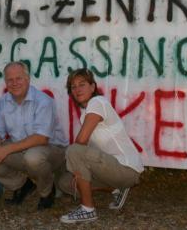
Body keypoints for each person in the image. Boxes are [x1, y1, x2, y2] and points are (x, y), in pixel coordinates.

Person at [0, 61, 68, 210]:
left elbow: (41, 138)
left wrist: (5, 150)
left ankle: (47, 191)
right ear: (5, 82)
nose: (14, 83)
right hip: (19, 150)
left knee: (33, 157)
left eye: (19, 78)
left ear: (28, 79)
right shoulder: (3, 102)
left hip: (51, 150)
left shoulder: (43, 100)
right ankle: (23, 185)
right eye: (10, 80)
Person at [57, 68, 144, 223]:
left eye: (82, 84)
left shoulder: (97, 102)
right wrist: (77, 169)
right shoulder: (86, 114)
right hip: (113, 169)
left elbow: (81, 141)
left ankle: (88, 210)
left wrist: (75, 161)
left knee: (75, 150)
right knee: (65, 183)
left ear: (92, 87)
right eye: (73, 86)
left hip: (126, 168)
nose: (77, 89)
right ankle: (117, 188)